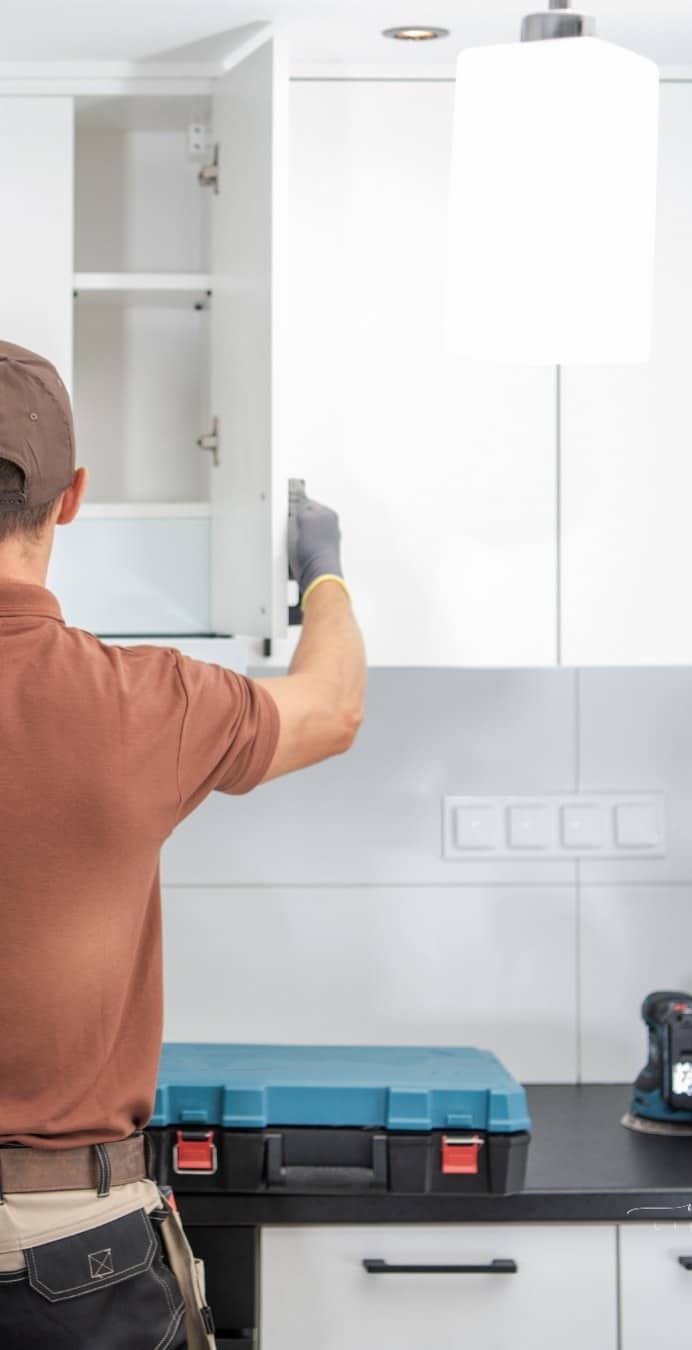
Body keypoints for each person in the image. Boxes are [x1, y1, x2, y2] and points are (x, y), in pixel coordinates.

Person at [0, 339, 366, 1348]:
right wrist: (321, 574)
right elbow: (333, 709)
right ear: (70, 498)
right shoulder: (142, 704)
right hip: (70, 1255)